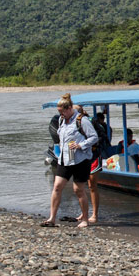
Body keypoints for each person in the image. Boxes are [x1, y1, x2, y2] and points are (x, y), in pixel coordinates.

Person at [42, 94, 98, 228]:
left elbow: (94, 137)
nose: (60, 114)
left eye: (62, 112)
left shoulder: (82, 120)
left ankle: (85, 219)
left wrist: (80, 145)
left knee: (78, 190)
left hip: (80, 160)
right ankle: (52, 218)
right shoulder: (62, 120)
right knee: (57, 187)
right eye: (59, 112)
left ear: (69, 109)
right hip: (65, 159)